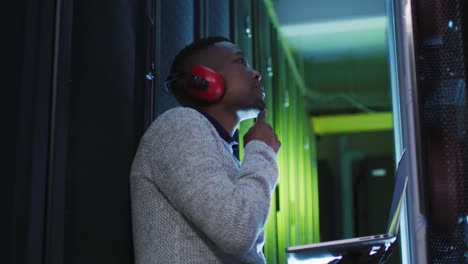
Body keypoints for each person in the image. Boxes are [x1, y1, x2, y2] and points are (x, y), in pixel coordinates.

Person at [130, 36, 281, 264]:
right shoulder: (178, 126)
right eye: (241, 62)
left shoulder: (220, 149)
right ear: (206, 79)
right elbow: (236, 230)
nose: (257, 73)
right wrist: (261, 150)